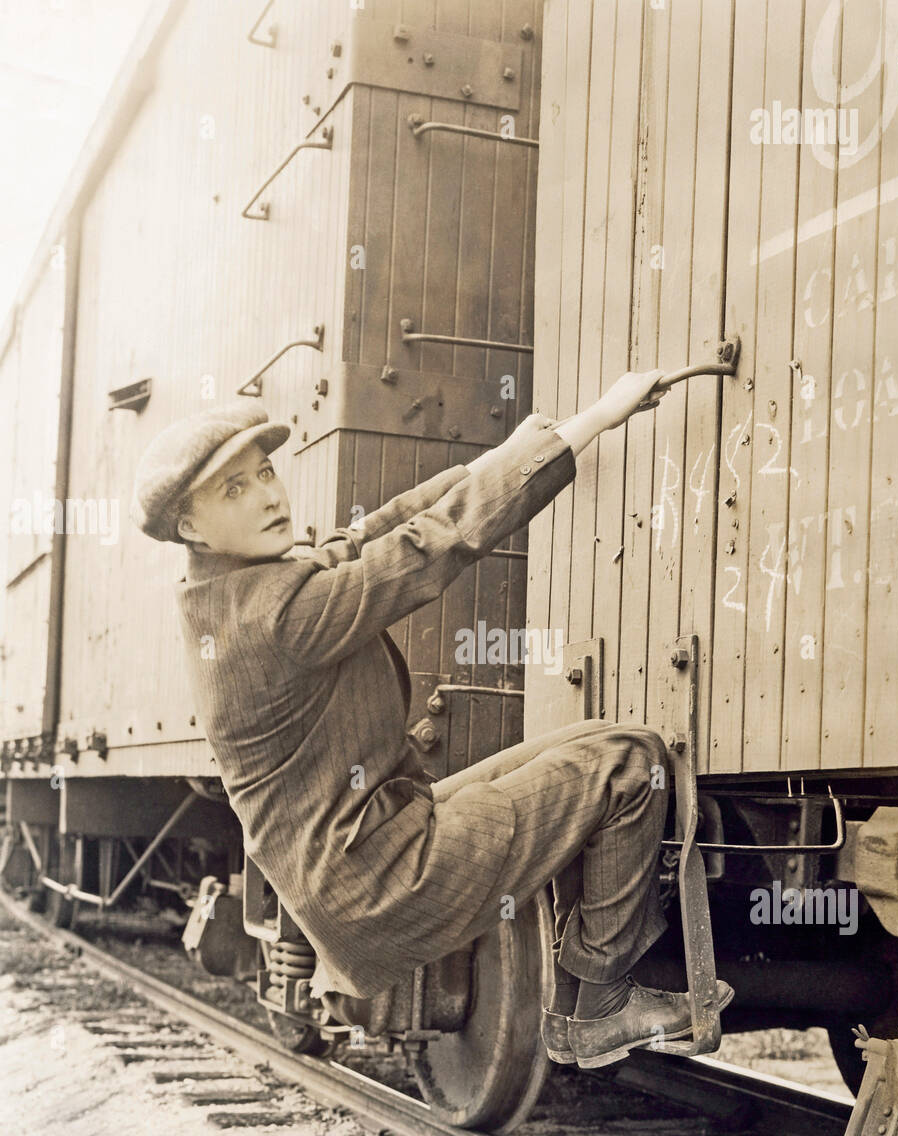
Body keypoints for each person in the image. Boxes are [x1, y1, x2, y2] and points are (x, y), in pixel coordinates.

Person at [131, 374, 732, 1069]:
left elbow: (371, 535)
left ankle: (586, 990)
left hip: (372, 847)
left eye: (265, 471)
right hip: (379, 879)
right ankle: (598, 1006)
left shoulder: (229, 593)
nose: (269, 494)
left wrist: (506, 454)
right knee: (631, 765)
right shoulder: (278, 616)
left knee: (604, 745)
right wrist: (592, 420)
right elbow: (427, 548)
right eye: (233, 489)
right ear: (188, 526)